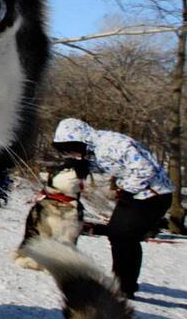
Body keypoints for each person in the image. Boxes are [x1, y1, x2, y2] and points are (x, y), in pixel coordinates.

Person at [52, 117, 174, 299]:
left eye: (72, 148)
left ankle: (124, 286)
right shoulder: (94, 149)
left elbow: (144, 169)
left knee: (123, 236)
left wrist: (126, 189)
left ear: (81, 139)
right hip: (138, 193)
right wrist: (78, 166)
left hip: (153, 194)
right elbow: (108, 165)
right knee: (118, 235)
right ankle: (122, 281)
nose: (72, 153)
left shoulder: (112, 144)